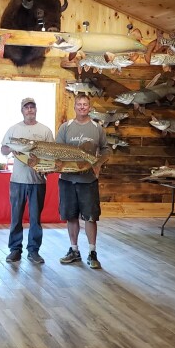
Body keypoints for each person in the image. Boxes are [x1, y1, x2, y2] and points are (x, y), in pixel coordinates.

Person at [56, 94, 111, 269]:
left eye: (85, 104)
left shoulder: (97, 128)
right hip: (67, 179)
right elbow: (57, 150)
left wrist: (100, 164)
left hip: (88, 180)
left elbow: (105, 149)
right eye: (79, 104)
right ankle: (74, 250)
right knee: (70, 216)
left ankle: (92, 252)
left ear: (90, 107)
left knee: (90, 217)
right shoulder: (66, 127)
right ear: (75, 107)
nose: (82, 107)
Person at [0, 97, 54, 265]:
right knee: (16, 217)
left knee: (35, 218)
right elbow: (3, 149)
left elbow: (51, 153)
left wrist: (49, 167)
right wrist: (12, 148)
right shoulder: (14, 129)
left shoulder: (45, 130)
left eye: (32, 107)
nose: (29, 110)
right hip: (17, 181)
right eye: (26, 107)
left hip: (38, 181)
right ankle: (15, 250)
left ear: (36, 109)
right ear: (22, 110)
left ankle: (34, 251)